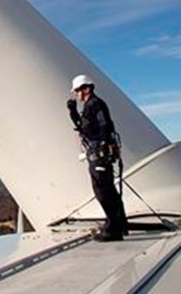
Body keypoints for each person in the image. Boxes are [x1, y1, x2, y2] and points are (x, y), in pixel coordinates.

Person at [67, 74, 127, 242]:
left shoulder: (95, 104)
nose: (76, 95)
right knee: (108, 189)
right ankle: (119, 224)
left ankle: (114, 229)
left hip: (99, 154)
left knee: (102, 191)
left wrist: (101, 144)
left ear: (85, 89)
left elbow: (105, 126)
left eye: (77, 91)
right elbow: (82, 126)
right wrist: (72, 112)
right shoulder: (90, 106)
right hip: (98, 153)